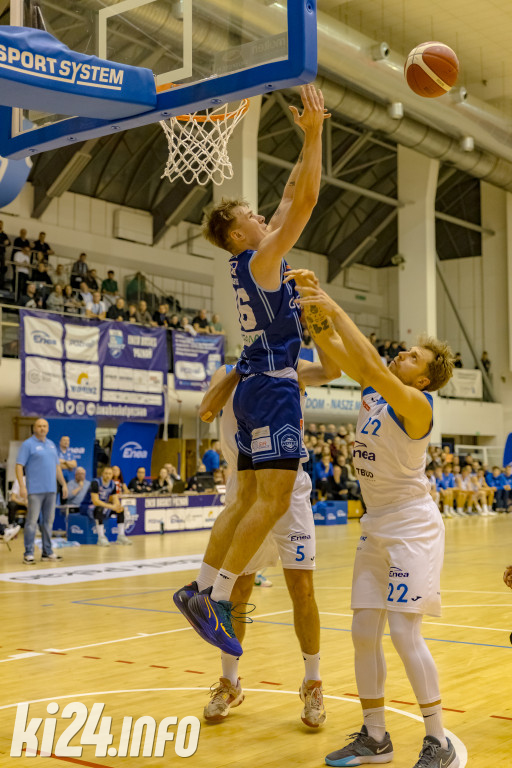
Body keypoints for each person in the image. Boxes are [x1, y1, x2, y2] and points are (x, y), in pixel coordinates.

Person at [176, 85, 328, 656]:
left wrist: (307, 134)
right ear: (239, 234)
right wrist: (314, 135)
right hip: (272, 389)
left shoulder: (258, 260)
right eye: (252, 216)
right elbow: (308, 202)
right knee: (272, 500)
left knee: (243, 500)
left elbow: (293, 193)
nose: (265, 215)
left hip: (258, 387)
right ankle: (213, 599)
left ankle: (202, 589)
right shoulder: (261, 259)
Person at [285, 268, 458, 768]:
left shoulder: (417, 403)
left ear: (422, 377)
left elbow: (371, 365)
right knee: (364, 632)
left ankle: (438, 741)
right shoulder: (375, 390)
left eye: (413, 357)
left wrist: (332, 304)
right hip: (376, 524)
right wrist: (312, 307)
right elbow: (337, 353)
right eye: (404, 350)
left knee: (404, 634)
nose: (402, 353)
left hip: (412, 526)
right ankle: (375, 737)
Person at [178, 350, 339, 726]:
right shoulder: (230, 369)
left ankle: (313, 682)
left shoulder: (291, 366)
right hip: (246, 490)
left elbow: (332, 369)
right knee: (238, 592)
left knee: (302, 589)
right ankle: (229, 683)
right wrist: (238, 370)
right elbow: (205, 410)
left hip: (288, 487)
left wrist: (323, 319)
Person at [16, 418, 68, 564]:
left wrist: (63, 484)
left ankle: (47, 552)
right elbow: (19, 465)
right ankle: (28, 553)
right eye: (39, 426)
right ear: (34, 428)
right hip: (35, 490)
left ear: (48, 428)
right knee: (32, 522)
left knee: (48, 522)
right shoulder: (28, 444)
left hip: (51, 490)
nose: (42, 428)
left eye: (45, 426)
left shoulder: (51, 445)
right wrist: (22, 486)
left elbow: (57, 467)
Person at [87, 466, 131, 546]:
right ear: (102, 474)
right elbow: (95, 501)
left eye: (110, 474)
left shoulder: (112, 484)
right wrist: (111, 507)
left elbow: (115, 499)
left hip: (105, 506)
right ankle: (101, 537)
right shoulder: (95, 483)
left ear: (112, 475)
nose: (108, 475)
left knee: (121, 510)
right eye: (106, 473)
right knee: (99, 509)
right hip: (89, 507)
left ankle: (121, 536)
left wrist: (118, 506)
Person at [0, 220, 11, 289]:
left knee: (2, 269)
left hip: (1, 254)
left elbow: (9, 243)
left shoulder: (4, 235)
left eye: (1, 225)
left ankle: (1, 285)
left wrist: (7, 242)